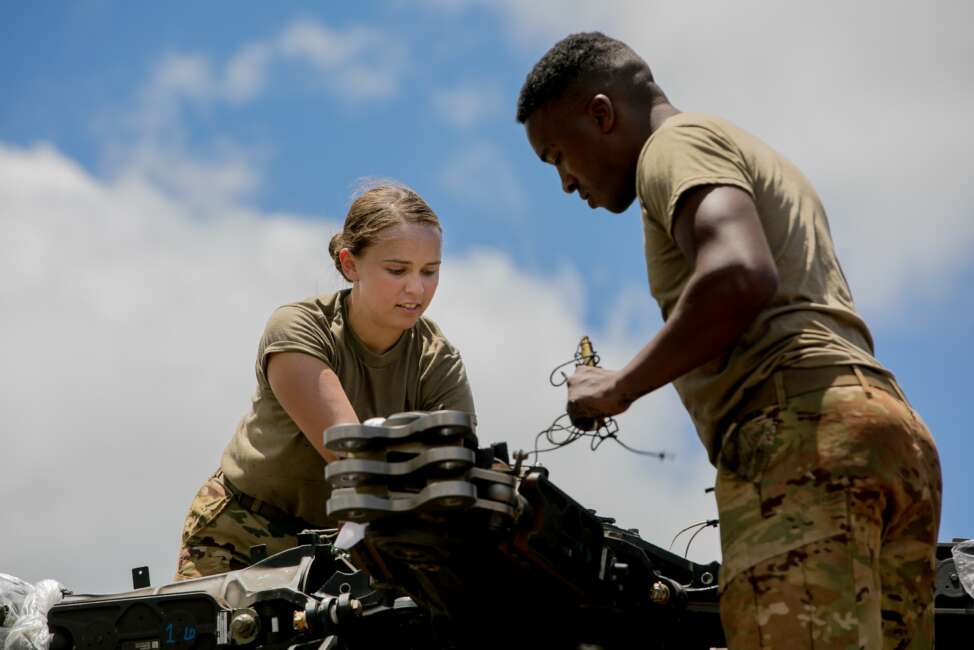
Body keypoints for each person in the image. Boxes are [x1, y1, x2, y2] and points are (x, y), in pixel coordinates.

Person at [516, 32, 941, 648]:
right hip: (887, 432)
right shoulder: (737, 146)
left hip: (801, 437)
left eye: (557, 154)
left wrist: (619, 386)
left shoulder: (674, 146)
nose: (564, 181)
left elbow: (740, 274)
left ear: (602, 114)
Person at [175, 183, 475, 580]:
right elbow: (353, 457)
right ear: (350, 265)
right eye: (397, 270)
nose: (416, 288)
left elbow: (452, 479)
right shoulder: (299, 329)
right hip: (242, 537)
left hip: (351, 550)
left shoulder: (436, 360)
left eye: (430, 271)